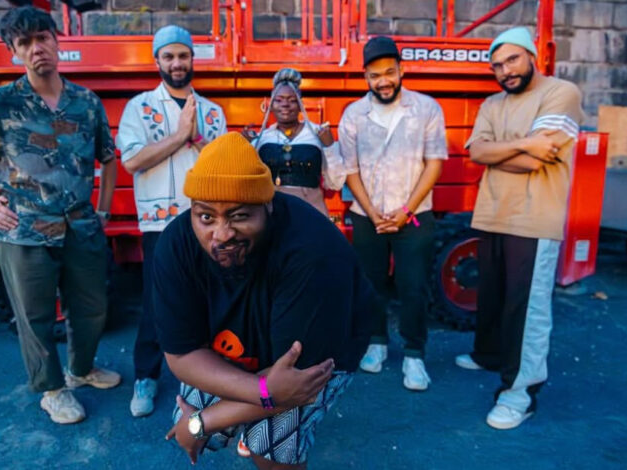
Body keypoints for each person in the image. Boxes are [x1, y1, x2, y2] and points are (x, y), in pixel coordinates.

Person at [0, 7, 120, 424]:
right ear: (14, 52)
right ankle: (52, 391)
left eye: (43, 38)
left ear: (56, 40)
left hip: (81, 227)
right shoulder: (0, 103)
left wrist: (104, 210)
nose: (37, 48)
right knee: (35, 318)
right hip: (25, 232)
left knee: (91, 307)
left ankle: (81, 370)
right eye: (25, 43)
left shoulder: (85, 102)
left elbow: (108, 158)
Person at [157, 132, 374, 469]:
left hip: (321, 351)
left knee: (269, 443)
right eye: (206, 217)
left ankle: (255, 433)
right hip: (248, 344)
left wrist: (201, 423)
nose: (221, 234)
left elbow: (297, 385)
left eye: (239, 216)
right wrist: (261, 391)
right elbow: (181, 354)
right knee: (192, 409)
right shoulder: (177, 243)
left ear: (268, 205)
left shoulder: (312, 251)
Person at [457, 27, 584, 430]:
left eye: (512, 60)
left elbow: (537, 159)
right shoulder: (493, 103)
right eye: (497, 65)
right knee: (494, 297)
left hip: (534, 216)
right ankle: (490, 355)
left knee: (526, 309)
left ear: (532, 56)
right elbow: (476, 152)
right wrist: (525, 143)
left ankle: (520, 394)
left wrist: (501, 152)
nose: (505, 71)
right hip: (493, 213)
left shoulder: (561, 93)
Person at [116, 25, 227, 418]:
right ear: (157, 61)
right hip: (160, 223)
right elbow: (132, 160)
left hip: (205, 222)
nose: (177, 63)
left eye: (183, 55)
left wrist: (196, 139)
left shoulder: (212, 111)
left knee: (207, 299)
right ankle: (146, 376)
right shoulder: (140, 107)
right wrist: (180, 135)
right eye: (169, 56)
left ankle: (205, 381)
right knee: (155, 300)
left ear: (192, 59)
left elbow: (222, 165)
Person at [338, 36, 448, 391]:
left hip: (414, 215)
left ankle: (415, 355)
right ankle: (376, 343)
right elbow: (349, 169)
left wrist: (405, 210)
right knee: (370, 283)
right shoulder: (354, 114)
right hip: (366, 214)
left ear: (402, 70)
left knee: (413, 286)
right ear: (366, 78)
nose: (383, 81)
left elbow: (434, 163)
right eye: (375, 76)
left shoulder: (427, 108)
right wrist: (372, 212)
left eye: (389, 72)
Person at [244, 68, 345, 215]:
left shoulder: (317, 135)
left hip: (310, 212)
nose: (285, 105)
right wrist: (244, 148)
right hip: (272, 214)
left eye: (292, 100)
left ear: (300, 105)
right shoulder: (262, 139)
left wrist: (330, 146)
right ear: (271, 105)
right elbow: (247, 183)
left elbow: (336, 183)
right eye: (279, 100)